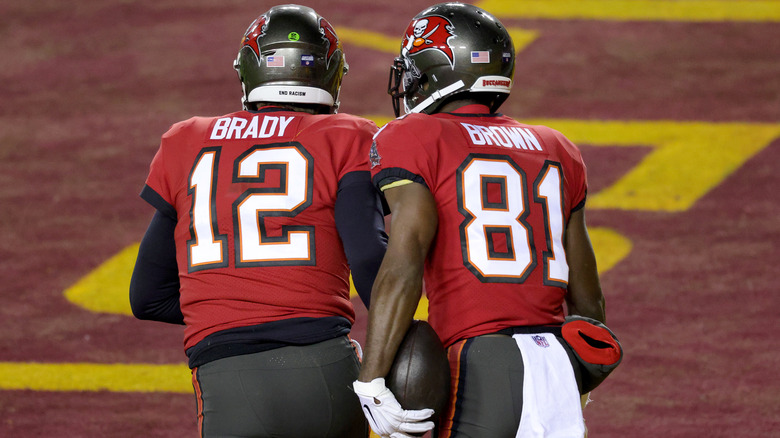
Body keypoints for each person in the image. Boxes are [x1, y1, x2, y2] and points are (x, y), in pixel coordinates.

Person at [354, 3, 620, 438]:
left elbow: (404, 263)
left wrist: (372, 376)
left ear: (437, 70)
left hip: (479, 359)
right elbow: (588, 300)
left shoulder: (413, 135)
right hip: (556, 358)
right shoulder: (556, 146)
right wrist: (577, 379)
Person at [129, 5, 387, 437]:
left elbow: (147, 297)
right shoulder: (350, 135)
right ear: (332, 73)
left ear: (248, 70)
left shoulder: (187, 140)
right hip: (327, 365)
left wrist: (230, 308)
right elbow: (369, 264)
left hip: (229, 372)